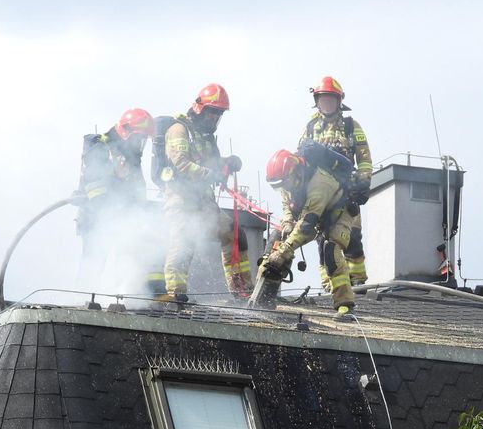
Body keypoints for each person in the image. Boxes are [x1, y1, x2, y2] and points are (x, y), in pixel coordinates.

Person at [158, 83, 250, 303]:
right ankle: (175, 294)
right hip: (181, 200)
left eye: (218, 115)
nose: (214, 119)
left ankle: (241, 289)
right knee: (183, 244)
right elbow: (181, 163)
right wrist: (209, 174)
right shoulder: (179, 129)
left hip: (204, 202)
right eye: (211, 113)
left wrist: (228, 162)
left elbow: (213, 164)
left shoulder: (205, 136)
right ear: (200, 108)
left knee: (235, 233)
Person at [256, 148, 356, 322]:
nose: (283, 188)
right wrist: (287, 224)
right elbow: (287, 207)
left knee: (330, 251)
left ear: (295, 172)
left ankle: (344, 305)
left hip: (338, 214)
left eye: (283, 184)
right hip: (310, 215)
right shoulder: (287, 182)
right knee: (276, 241)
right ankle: (264, 298)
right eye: (278, 186)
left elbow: (307, 225)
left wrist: (284, 250)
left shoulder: (320, 183)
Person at [76, 108, 165, 296]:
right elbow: (95, 186)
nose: (139, 144)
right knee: (95, 260)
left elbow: (137, 192)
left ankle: (133, 296)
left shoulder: (131, 158)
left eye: (143, 140)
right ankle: (82, 299)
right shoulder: (101, 147)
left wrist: (143, 214)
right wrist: (114, 213)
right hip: (96, 219)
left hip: (123, 218)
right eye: (137, 138)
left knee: (134, 254)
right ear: (125, 131)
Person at [297, 76, 372, 288]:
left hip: (346, 190)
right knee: (323, 239)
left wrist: (363, 183)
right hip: (319, 192)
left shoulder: (351, 126)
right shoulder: (310, 128)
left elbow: (365, 160)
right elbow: (299, 160)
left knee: (352, 237)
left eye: (330, 99)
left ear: (339, 102)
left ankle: (358, 282)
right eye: (323, 100)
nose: (326, 104)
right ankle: (329, 284)